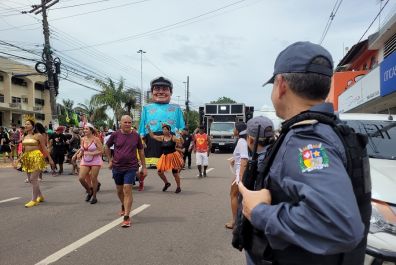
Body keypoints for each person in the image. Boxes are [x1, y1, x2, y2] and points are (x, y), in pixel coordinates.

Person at [237, 41, 369, 264]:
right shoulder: (328, 130)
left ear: (281, 85)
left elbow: (340, 224)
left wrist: (259, 212)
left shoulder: (307, 140)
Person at [105, 115, 147, 227]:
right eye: (125, 122)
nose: (128, 124)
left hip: (131, 167)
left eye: (130, 122)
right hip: (117, 167)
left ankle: (127, 217)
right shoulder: (115, 135)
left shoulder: (136, 136)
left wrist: (144, 167)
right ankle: (123, 205)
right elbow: (107, 147)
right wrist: (110, 160)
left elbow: (141, 151)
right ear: (120, 123)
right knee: (119, 191)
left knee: (127, 189)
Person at [138, 76, 185, 167]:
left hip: (170, 137)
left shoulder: (176, 108)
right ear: (152, 92)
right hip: (152, 139)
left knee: (171, 162)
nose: (160, 92)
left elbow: (180, 126)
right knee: (155, 163)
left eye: (164, 89)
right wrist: (141, 138)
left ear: (171, 92)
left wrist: (179, 138)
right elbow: (142, 125)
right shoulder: (147, 108)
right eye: (157, 89)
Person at [15, 118, 55, 207]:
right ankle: (40, 196)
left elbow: (44, 148)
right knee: (30, 180)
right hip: (27, 158)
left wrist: (50, 159)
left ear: (33, 126)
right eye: (25, 124)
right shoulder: (24, 136)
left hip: (37, 157)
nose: (26, 125)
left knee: (33, 179)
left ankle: (34, 200)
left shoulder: (38, 135)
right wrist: (18, 159)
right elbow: (23, 150)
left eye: (28, 124)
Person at [146, 123, 184, 193]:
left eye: (165, 129)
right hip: (164, 157)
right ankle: (167, 183)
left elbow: (182, 142)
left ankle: (178, 187)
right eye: (163, 129)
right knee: (160, 172)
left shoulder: (173, 137)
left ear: (169, 130)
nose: (164, 130)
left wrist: (179, 135)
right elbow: (153, 136)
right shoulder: (162, 137)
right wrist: (148, 129)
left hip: (173, 156)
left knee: (175, 173)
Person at [225, 122, 249, 230]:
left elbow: (244, 159)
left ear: (238, 131)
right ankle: (240, 220)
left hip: (241, 173)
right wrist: (234, 160)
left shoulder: (242, 141)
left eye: (234, 128)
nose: (233, 130)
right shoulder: (242, 141)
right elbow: (241, 156)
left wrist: (240, 176)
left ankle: (235, 221)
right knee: (239, 196)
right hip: (240, 172)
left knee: (234, 195)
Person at [78, 123, 103, 204]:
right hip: (85, 160)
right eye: (84, 129)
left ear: (91, 130)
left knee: (93, 178)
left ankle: (94, 197)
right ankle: (89, 191)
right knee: (81, 178)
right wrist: (79, 154)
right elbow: (82, 149)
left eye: (86, 129)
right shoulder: (82, 139)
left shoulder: (96, 139)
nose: (84, 130)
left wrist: (92, 153)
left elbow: (101, 150)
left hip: (95, 161)